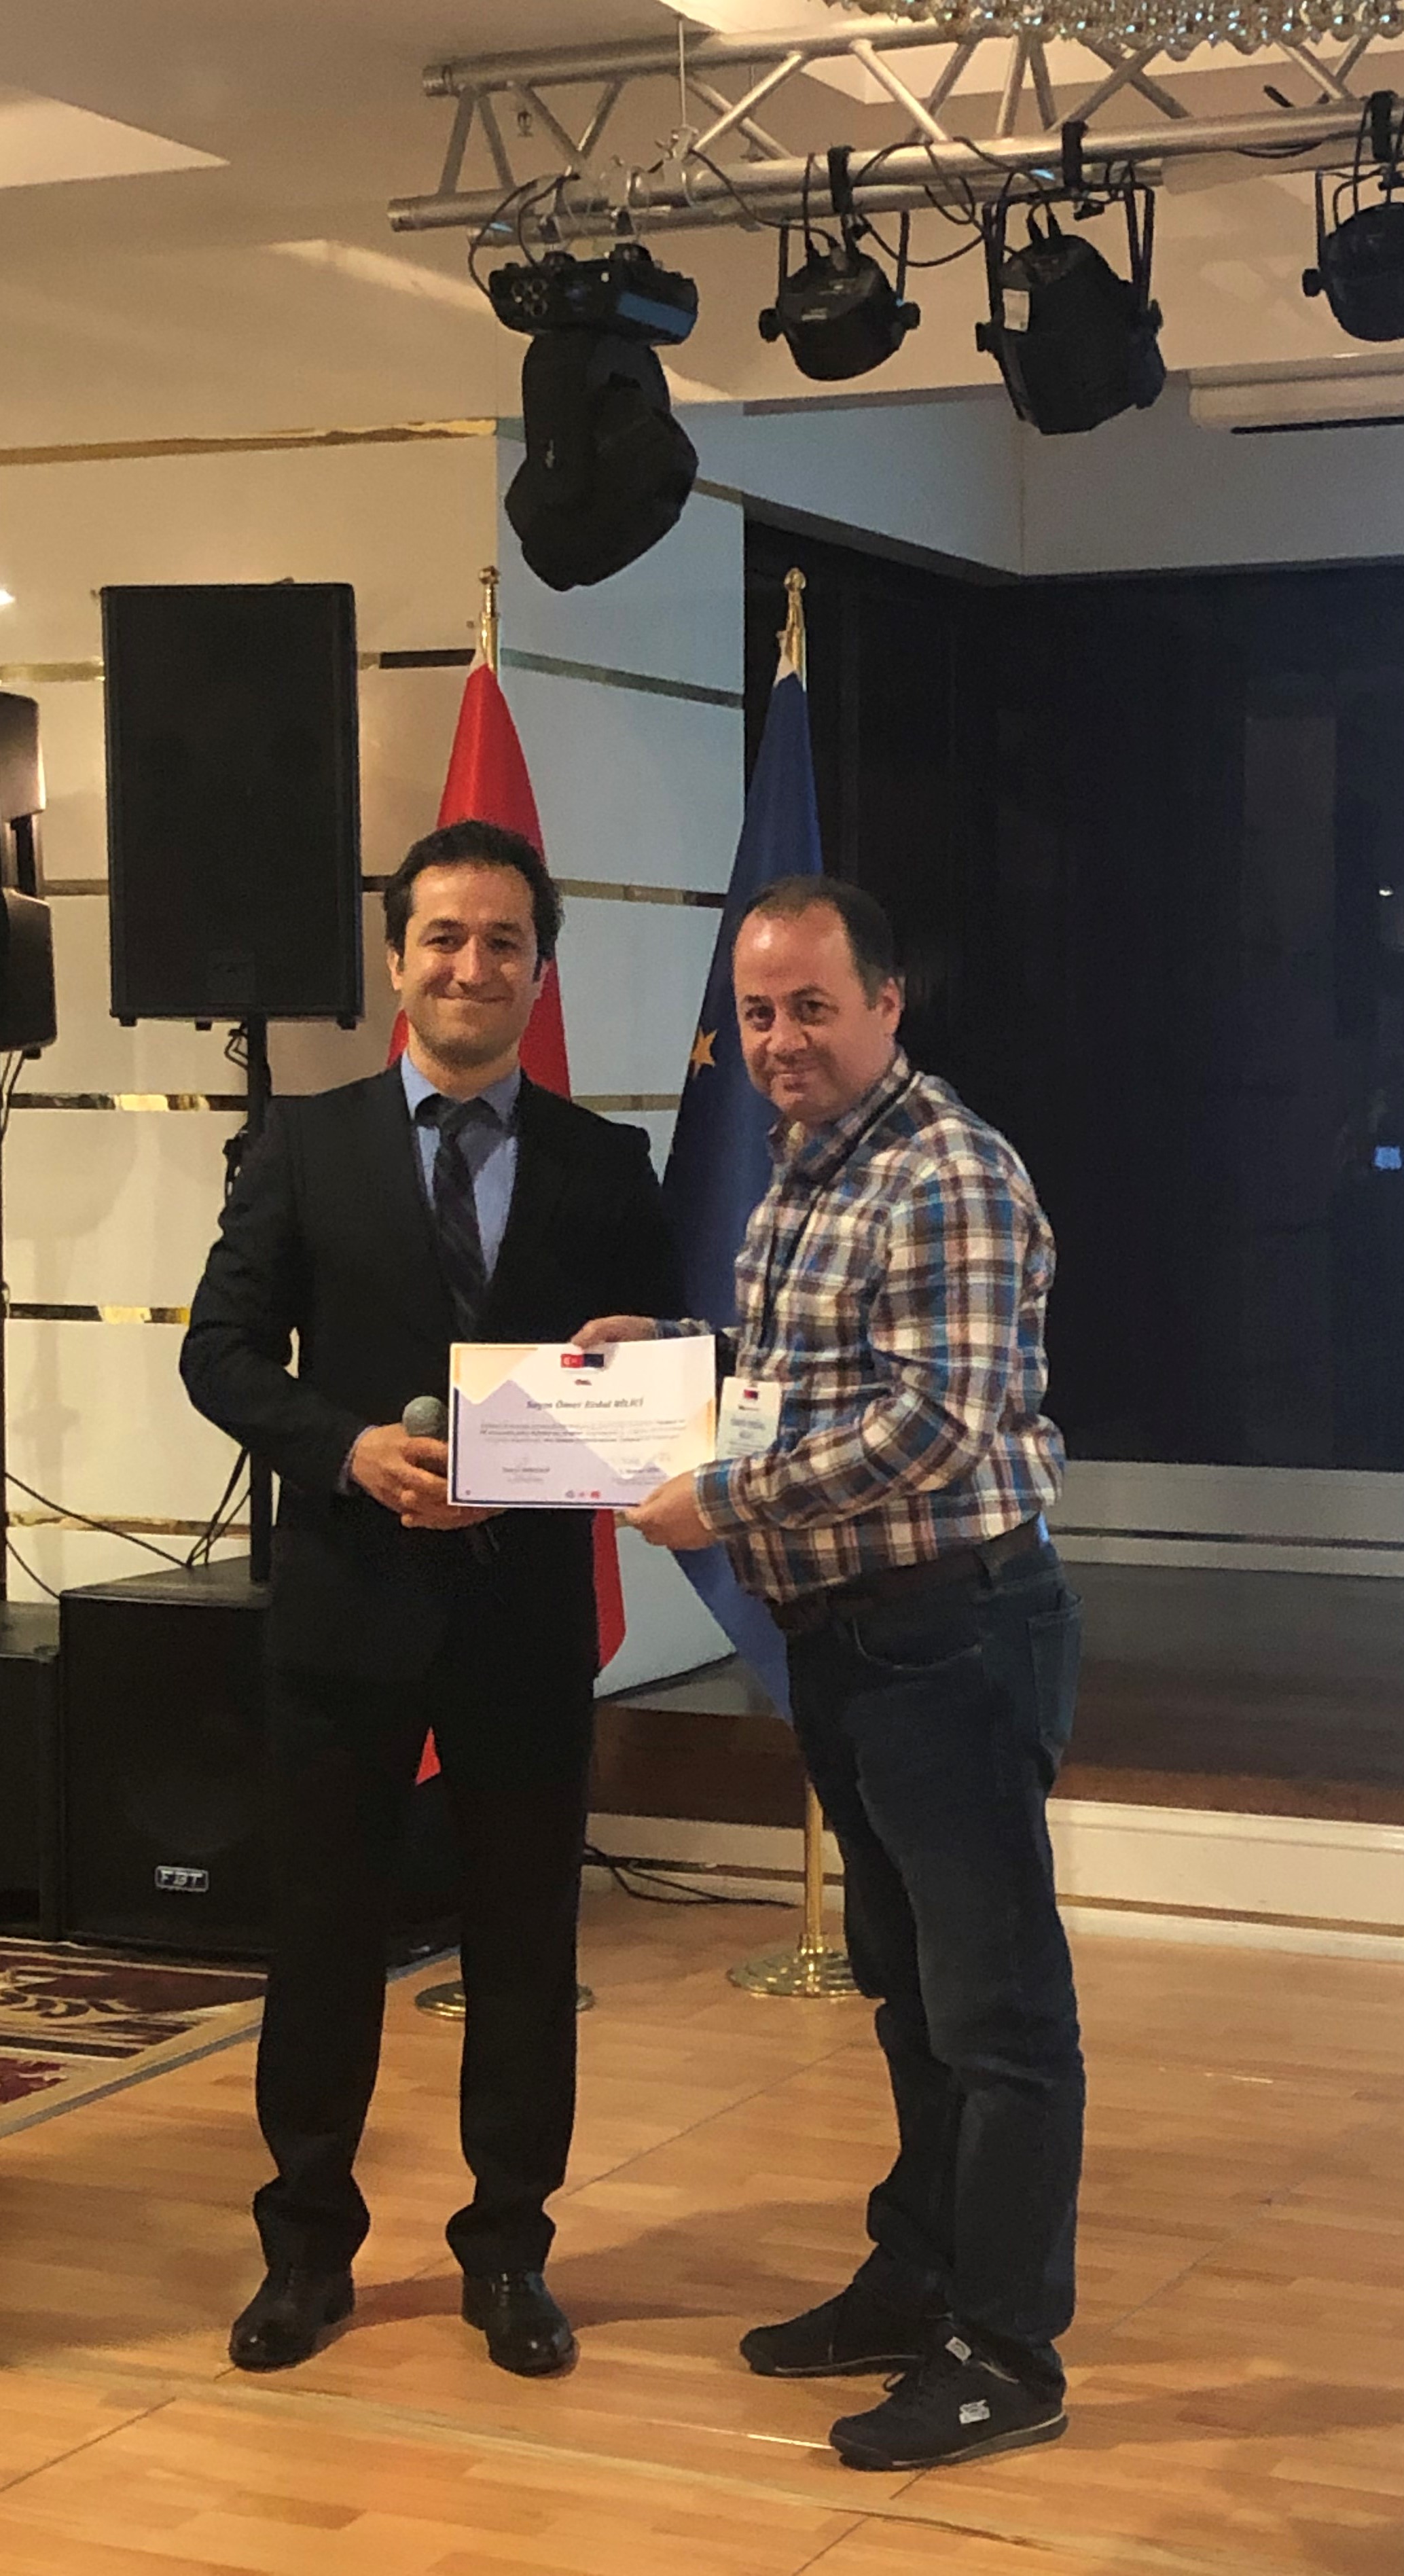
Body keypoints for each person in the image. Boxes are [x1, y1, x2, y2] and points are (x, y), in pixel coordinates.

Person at [577, 875, 1083, 2473]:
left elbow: (929, 1426)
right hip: (853, 1645)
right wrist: (674, 1365)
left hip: (952, 1637)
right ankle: (916, 2280)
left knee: (996, 2014)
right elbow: (809, 1386)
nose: (781, 1038)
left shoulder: (947, 1173)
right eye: (758, 1012)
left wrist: (720, 1502)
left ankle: (1006, 2352)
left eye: (813, 1004)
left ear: (886, 1002)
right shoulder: (809, 1166)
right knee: (909, 1995)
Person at [181, 817, 681, 2380]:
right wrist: (343, 1449)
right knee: (323, 1941)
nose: (473, 965)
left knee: (525, 1945)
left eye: (504, 942)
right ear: (396, 961)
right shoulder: (303, 1144)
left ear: (540, 974)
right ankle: (305, 2253)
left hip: (524, 1616)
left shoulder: (608, 1164)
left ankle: (510, 2253)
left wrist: (654, 1354)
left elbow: (669, 1366)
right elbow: (219, 1354)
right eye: (444, 937)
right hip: (347, 1607)